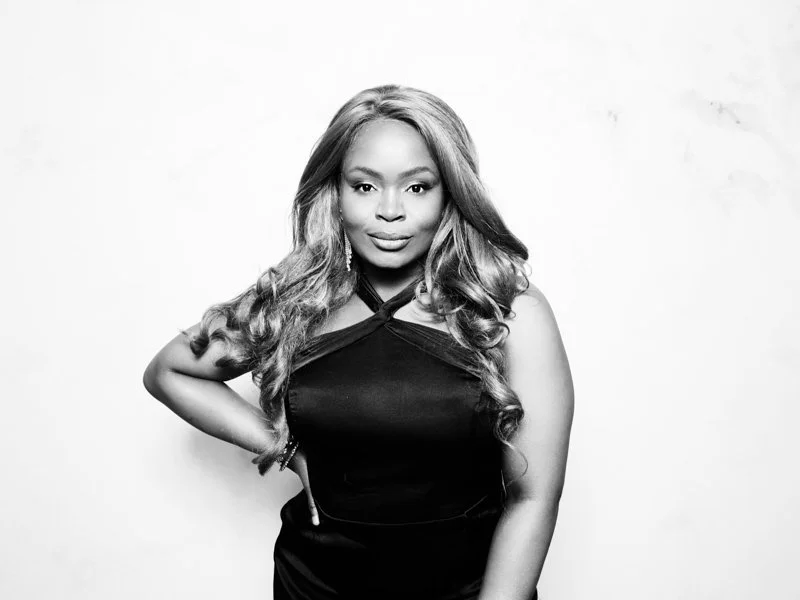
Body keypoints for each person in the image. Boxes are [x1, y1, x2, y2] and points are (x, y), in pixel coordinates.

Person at [142, 84, 574, 600]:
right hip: (315, 583)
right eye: (365, 186)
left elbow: (533, 497)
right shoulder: (296, 302)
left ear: (450, 194)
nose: (390, 211)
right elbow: (169, 371)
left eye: (417, 187)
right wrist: (282, 445)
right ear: (336, 193)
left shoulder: (510, 313)